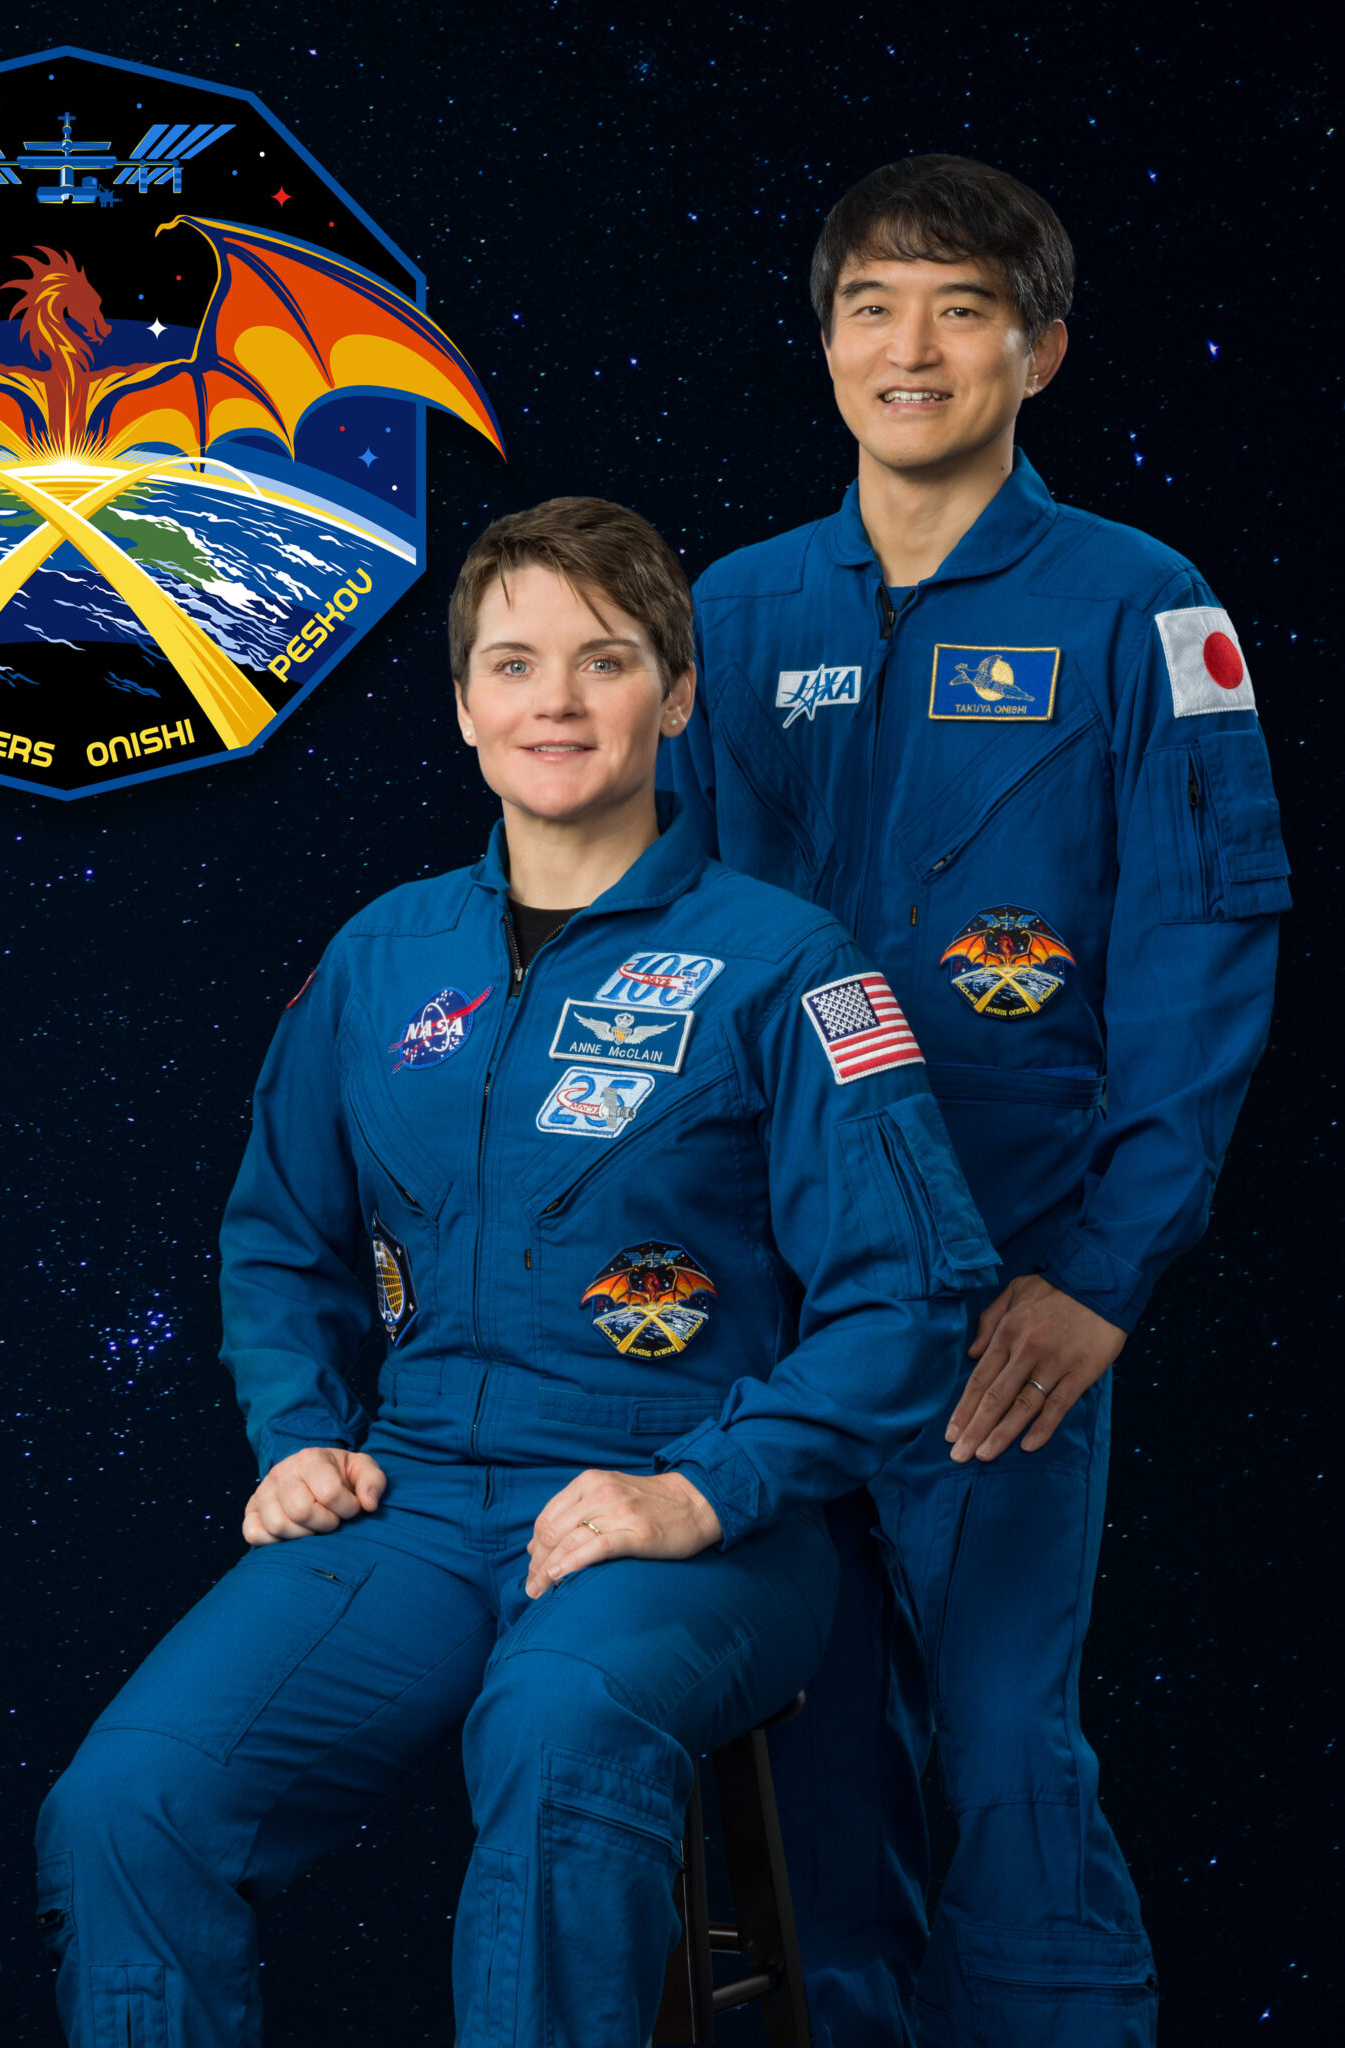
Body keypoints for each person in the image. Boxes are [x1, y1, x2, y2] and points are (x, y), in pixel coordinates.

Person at [35, 497, 998, 2045]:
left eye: (605, 661)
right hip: (416, 1502)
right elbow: (281, 1233)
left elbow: (911, 1299)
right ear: (469, 703)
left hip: (692, 1520)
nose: (556, 701)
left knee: (556, 1738)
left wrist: (705, 1490)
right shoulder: (382, 958)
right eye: (516, 663)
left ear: (676, 697)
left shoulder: (788, 967)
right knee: (129, 1803)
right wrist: (297, 1438)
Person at [667, 155, 1290, 2047]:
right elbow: (662, 939)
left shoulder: (1140, 609)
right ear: (827, 343)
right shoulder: (739, 609)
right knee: (810, 1769)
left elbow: (1210, 947)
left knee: (1010, 1750)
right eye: (871, 306)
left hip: (1006, 1293)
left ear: (1041, 349)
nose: (908, 347)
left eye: (957, 308)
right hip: (775, 1312)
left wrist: (1103, 1274)